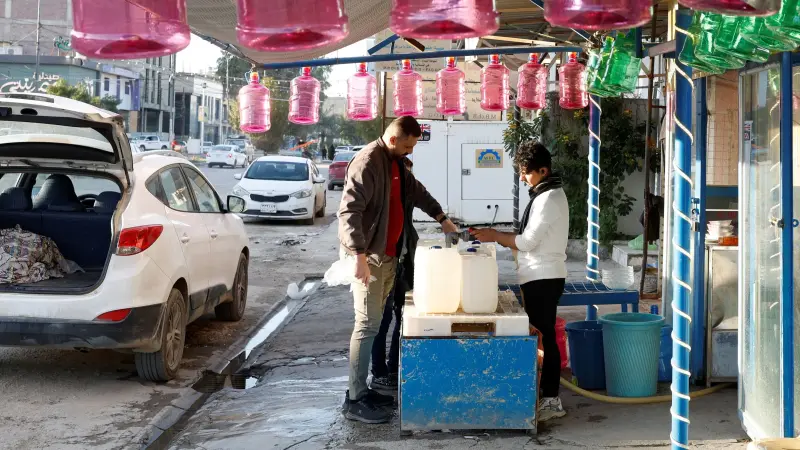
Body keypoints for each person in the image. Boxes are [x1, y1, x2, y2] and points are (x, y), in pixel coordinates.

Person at [338, 116, 458, 424]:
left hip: (389, 257)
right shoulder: (368, 162)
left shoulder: (397, 165)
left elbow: (418, 193)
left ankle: (363, 390)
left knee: (375, 323)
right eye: (407, 146)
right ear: (393, 140)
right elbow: (349, 212)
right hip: (369, 258)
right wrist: (359, 256)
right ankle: (355, 399)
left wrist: (442, 218)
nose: (410, 151)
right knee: (366, 325)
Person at [473, 142, 569, 422]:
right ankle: (544, 395)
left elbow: (527, 242)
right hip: (537, 276)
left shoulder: (549, 198)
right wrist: (496, 235)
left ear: (543, 170)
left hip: (544, 276)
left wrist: (494, 235)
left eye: (526, 172)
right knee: (541, 336)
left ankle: (551, 400)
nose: (522, 177)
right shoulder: (544, 194)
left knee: (545, 337)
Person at [369, 157, 415, 395]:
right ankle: (379, 373)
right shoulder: (381, 196)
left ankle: (393, 368)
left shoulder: (407, 192)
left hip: (402, 264)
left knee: (402, 316)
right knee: (382, 320)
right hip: (384, 263)